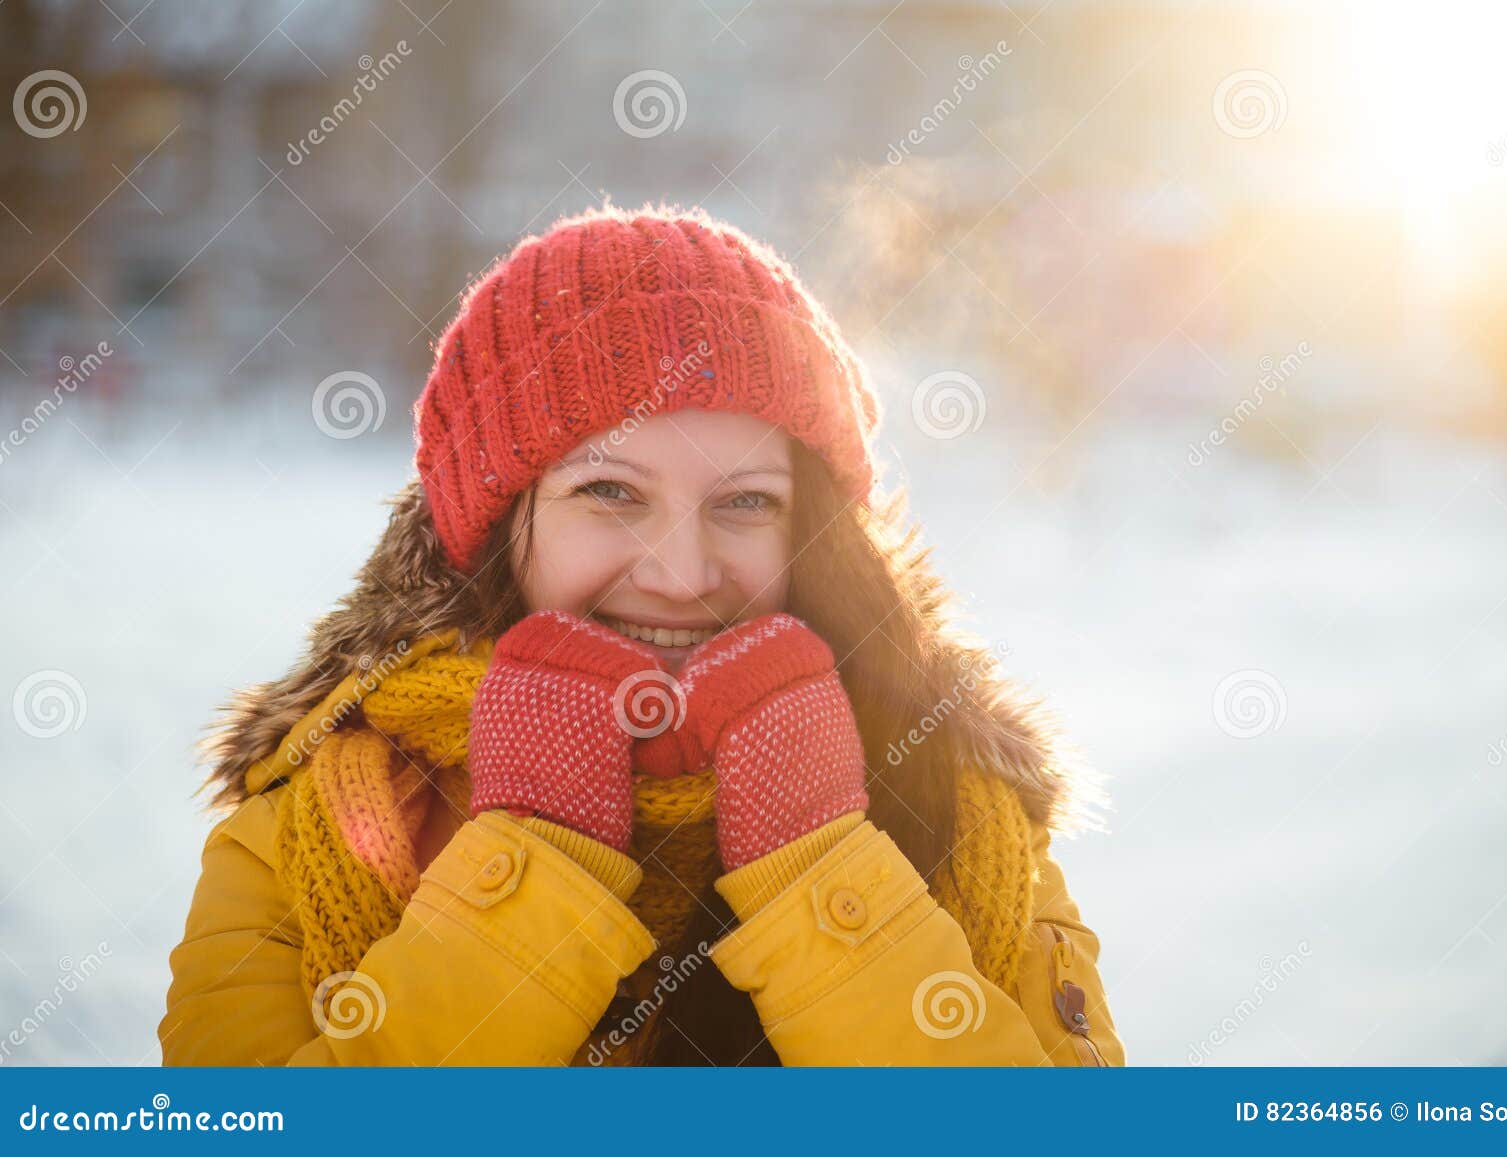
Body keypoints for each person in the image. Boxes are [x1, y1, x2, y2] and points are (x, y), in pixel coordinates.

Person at [158, 204, 1125, 1066]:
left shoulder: (956, 797)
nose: (682, 574)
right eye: (610, 492)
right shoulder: (313, 820)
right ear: (494, 522)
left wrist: (821, 874)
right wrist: (538, 867)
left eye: (746, 501)